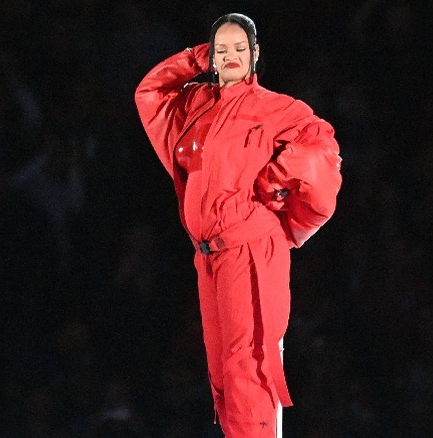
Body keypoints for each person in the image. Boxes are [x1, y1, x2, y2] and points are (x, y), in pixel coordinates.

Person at [135, 13, 341, 437]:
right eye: (220, 49)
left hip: (250, 250)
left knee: (248, 364)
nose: (229, 57)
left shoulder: (278, 108)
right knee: (223, 373)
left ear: (255, 54)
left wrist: (275, 183)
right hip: (208, 255)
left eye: (238, 49)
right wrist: (195, 59)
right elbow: (149, 91)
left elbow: (324, 157)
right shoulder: (194, 104)